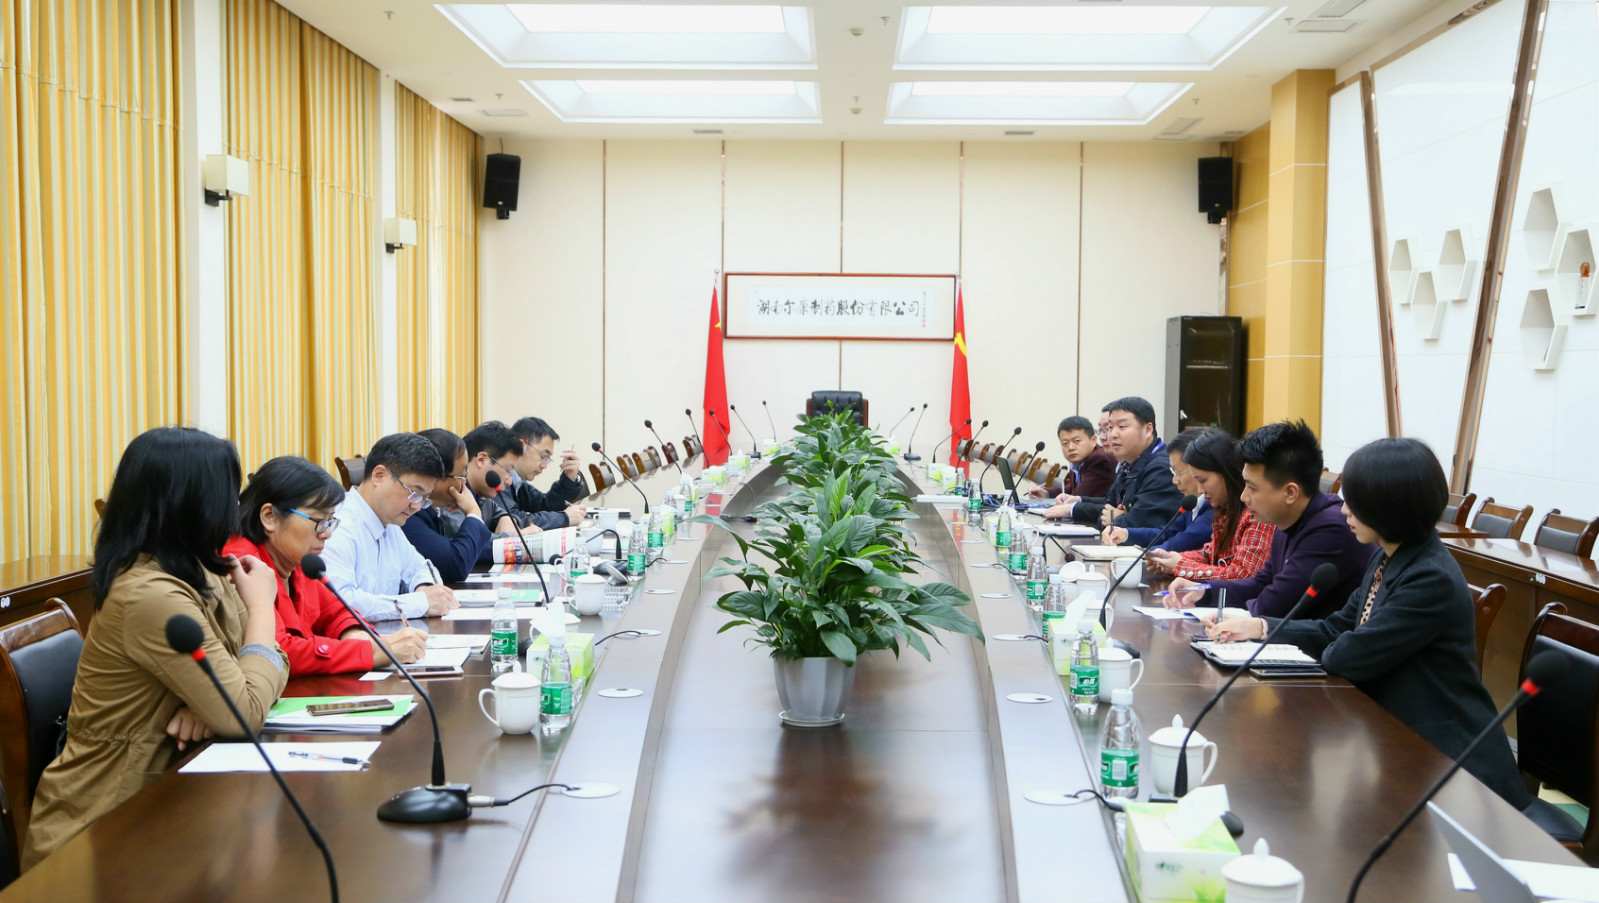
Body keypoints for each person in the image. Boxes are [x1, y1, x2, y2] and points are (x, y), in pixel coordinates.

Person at [1202, 438, 1532, 808]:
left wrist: (1333, 641)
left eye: (1356, 501)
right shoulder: (1387, 558)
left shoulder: (1429, 577)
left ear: (1389, 505)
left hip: (1452, 765)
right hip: (1396, 742)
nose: (1344, 509)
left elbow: (1348, 655)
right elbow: (1336, 628)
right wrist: (1260, 627)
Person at [24, 428, 289, 868]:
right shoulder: (150, 594)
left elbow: (271, 662)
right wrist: (262, 607)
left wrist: (216, 704)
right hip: (103, 832)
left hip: (170, 801)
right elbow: (245, 706)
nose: (234, 508)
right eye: (228, 494)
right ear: (192, 503)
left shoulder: (203, 569)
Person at [227, 456, 428, 674]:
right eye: (319, 521)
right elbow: (276, 652)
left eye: (331, 521)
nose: (327, 533)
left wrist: (353, 633)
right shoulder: (242, 564)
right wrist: (376, 652)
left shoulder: (294, 560)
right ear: (270, 517)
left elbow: (335, 611)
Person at [1168, 420, 1371, 619]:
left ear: (1290, 493)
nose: (1243, 496)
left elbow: (1271, 606)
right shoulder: (1287, 520)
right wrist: (1204, 591)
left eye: (1252, 488)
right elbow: (1260, 584)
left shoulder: (1329, 531)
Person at [320, 432, 459, 622]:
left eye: (424, 499)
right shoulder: (338, 526)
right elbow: (341, 602)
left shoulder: (389, 522)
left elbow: (420, 567)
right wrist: (420, 603)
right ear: (379, 476)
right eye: (414, 493)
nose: (417, 506)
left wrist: (426, 588)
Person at [1143, 429, 1274, 582]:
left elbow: (1243, 574)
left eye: (1203, 480)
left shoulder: (1257, 514)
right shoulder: (1225, 512)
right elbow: (1209, 555)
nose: (1200, 490)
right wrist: (1171, 559)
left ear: (1225, 472)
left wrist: (1181, 566)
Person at [1043, 397, 1181, 529]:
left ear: (1148, 429)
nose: (1113, 434)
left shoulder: (1161, 468)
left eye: (1122, 426)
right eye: (1110, 428)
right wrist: (1081, 501)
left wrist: (1118, 519)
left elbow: (1146, 524)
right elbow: (1107, 510)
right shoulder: (1127, 464)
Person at [402, 428, 494, 584]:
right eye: (461, 476)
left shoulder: (430, 510)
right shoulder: (409, 511)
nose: (464, 485)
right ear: (435, 476)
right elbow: (454, 566)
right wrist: (473, 513)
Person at [1101, 428, 1214, 554]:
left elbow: (1180, 542)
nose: (1174, 480)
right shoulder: (1193, 502)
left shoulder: (1213, 508)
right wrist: (1125, 534)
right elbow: (1167, 532)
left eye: (1178, 473)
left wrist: (1145, 553)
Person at [509, 416, 589, 528]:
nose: (544, 465)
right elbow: (514, 521)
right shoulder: (497, 479)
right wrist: (565, 518)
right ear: (521, 446)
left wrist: (569, 479)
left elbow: (545, 505)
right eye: (542, 456)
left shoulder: (518, 483)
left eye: (547, 460)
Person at [1028, 415, 1116, 500]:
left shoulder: (1100, 460)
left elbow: (1077, 496)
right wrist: (1047, 493)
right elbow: (1072, 489)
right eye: (1065, 443)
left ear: (1093, 440)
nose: (1070, 448)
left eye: (1077, 441)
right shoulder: (1079, 460)